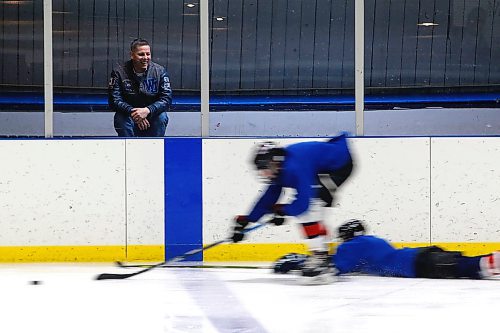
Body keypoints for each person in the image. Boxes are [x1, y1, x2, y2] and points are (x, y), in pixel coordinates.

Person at [231, 134, 354, 282]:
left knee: (312, 209)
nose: (264, 173)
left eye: (265, 168)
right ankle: (324, 257)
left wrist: (283, 211)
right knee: (314, 210)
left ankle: (320, 258)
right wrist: (247, 220)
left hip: (340, 165)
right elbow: (268, 198)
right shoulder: (281, 169)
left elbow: (303, 204)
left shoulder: (295, 167)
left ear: (274, 162)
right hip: (325, 167)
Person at [273, 219, 500, 280]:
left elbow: (330, 268)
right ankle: (492, 261)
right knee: (465, 264)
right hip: (420, 255)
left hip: (416, 263)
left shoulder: (352, 247)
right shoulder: (372, 241)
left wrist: (298, 262)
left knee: (466, 267)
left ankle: (492, 262)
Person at [108, 38, 172, 137]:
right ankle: (128, 150)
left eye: (148, 54)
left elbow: (166, 99)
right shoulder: (119, 72)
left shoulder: (160, 71)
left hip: (152, 115)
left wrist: (147, 110)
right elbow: (114, 100)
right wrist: (135, 113)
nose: (146, 57)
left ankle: (155, 147)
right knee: (120, 118)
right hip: (128, 115)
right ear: (132, 55)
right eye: (141, 54)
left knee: (162, 117)